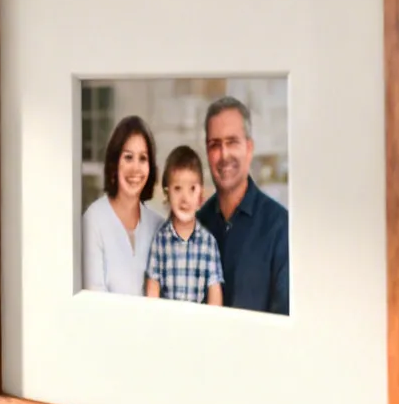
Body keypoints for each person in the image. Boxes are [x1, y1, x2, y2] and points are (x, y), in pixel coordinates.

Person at [196, 96, 289, 314]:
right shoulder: (197, 225)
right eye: (215, 145)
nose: (224, 154)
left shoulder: (280, 228)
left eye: (232, 142)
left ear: (249, 148)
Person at [80, 115, 161, 296]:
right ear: (114, 163)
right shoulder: (93, 220)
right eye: (128, 157)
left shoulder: (159, 226)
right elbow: (94, 302)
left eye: (143, 158)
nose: (135, 168)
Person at [144, 146, 224, 305]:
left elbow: (215, 291)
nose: (185, 198)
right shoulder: (160, 241)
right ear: (167, 193)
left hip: (198, 324)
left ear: (201, 194)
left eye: (192, 189)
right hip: (167, 323)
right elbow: (153, 288)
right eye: (177, 189)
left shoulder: (208, 243)